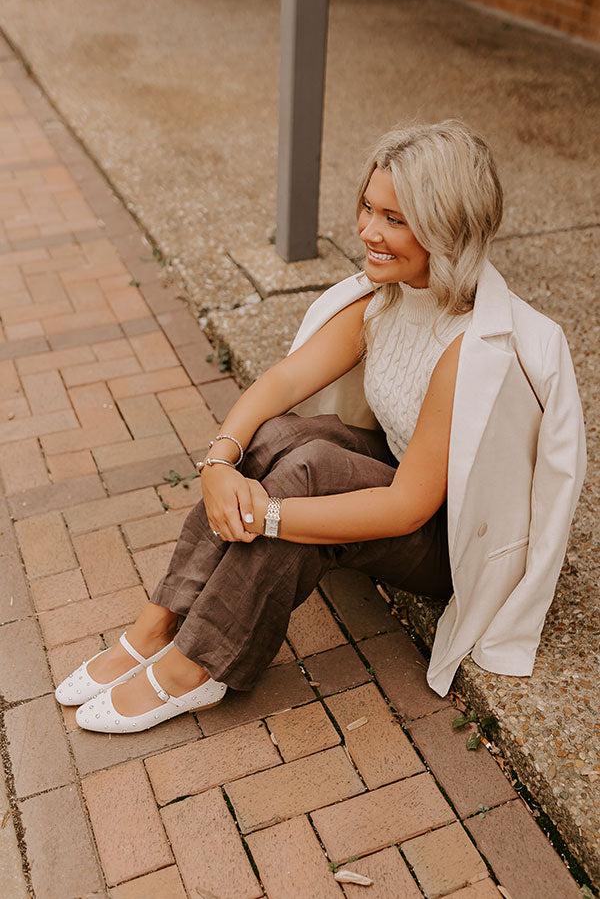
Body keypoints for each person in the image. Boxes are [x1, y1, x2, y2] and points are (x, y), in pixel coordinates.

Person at [56, 119, 586, 734]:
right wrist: (219, 463)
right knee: (276, 436)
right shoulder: (388, 297)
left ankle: (198, 666)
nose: (368, 231)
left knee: (312, 471)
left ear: (448, 227)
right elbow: (284, 382)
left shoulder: (474, 346)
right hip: (402, 474)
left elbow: (407, 509)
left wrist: (267, 515)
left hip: (451, 537)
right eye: (368, 207)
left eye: (394, 218)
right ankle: (158, 624)